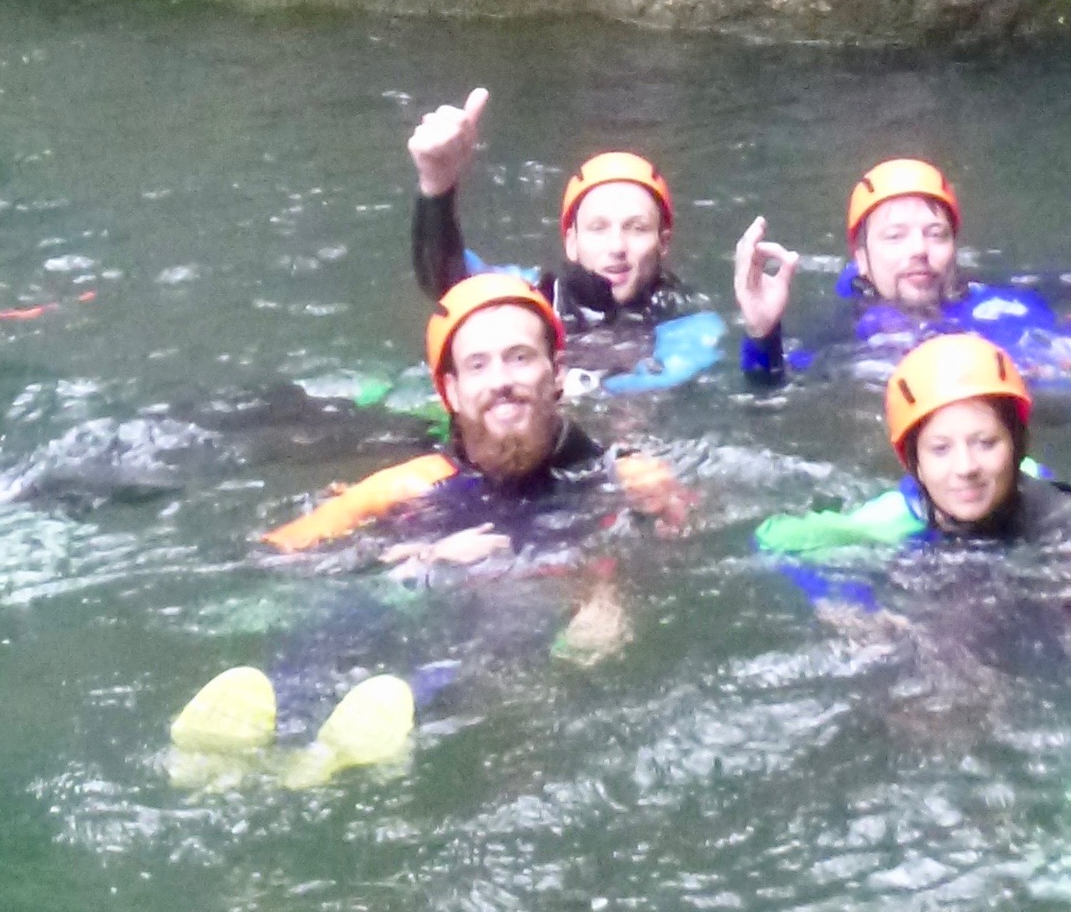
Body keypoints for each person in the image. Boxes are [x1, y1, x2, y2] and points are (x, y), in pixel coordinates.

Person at [170, 271, 687, 770]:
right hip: (411, 597)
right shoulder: (408, 485)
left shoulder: (616, 474)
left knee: (511, 617)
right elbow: (271, 555)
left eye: (520, 358)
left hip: (506, 638)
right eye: (478, 366)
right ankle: (278, 715)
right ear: (451, 392)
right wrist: (417, 558)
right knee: (355, 602)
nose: (502, 381)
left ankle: (368, 732)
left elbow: (673, 540)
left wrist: (612, 596)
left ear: (556, 371)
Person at [750, 334, 1071, 672]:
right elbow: (775, 538)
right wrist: (854, 606)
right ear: (914, 462)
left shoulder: (1059, 506)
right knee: (947, 655)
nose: (966, 468)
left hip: (1043, 599)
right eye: (940, 449)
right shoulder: (896, 517)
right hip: (953, 595)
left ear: (1017, 446)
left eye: (986, 443)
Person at [730, 110, 1071, 388]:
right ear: (861, 260)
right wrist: (761, 334)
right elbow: (769, 395)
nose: (919, 249)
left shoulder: (1014, 291)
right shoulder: (846, 341)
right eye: (895, 237)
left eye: (936, 234)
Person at [403, 92, 712, 380]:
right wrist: (437, 185)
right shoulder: (540, 294)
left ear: (664, 243)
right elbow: (449, 283)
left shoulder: (688, 320)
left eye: (637, 228)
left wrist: (759, 336)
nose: (617, 247)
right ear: (572, 243)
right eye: (598, 228)